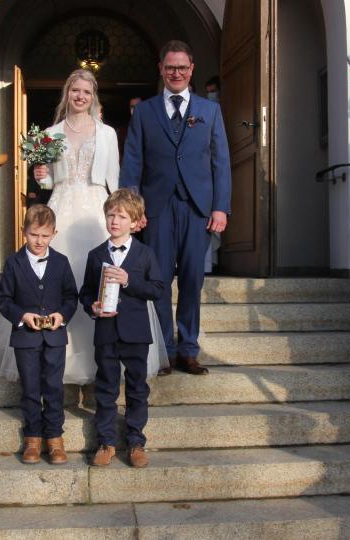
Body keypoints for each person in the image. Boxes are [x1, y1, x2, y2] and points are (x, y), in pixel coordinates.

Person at [0, 68, 165, 385]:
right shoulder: (51, 133)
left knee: (98, 275)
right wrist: (42, 175)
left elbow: (115, 178)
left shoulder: (107, 133)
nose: (80, 96)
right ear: (67, 93)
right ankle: (59, 355)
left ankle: (106, 352)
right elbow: (51, 180)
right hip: (62, 205)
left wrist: (129, 212)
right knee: (56, 279)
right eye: (75, 90)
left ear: (93, 95)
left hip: (96, 208)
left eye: (86, 91)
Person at [120, 40, 231, 376]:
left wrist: (220, 208)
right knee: (159, 279)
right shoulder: (144, 111)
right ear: (161, 69)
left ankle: (189, 349)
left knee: (193, 280)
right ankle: (164, 350)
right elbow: (133, 163)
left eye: (183, 67)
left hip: (198, 209)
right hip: (157, 209)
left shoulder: (209, 111)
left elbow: (220, 163)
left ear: (192, 69)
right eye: (171, 68)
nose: (177, 73)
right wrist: (132, 210)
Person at [79, 189, 164, 468]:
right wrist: (91, 307)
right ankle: (106, 441)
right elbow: (85, 292)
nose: (115, 220)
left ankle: (136, 441)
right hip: (106, 332)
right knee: (105, 387)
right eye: (110, 214)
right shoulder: (95, 255)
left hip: (136, 333)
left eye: (122, 216)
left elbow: (158, 289)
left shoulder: (145, 254)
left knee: (137, 388)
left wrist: (129, 281)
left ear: (135, 221)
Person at [0, 204, 78, 465]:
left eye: (44, 235)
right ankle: (32, 437)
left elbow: (70, 297)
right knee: (31, 388)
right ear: (24, 233)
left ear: (54, 233)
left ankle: (55, 438)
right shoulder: (13, 263)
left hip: (54, 337)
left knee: (53, 388)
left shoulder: (62, 262)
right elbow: (3, 299)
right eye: (33, 235)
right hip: (25, 339)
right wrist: (22, 316)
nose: (39, 241)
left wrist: (61, 316)